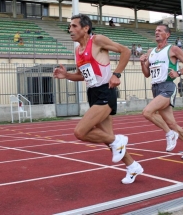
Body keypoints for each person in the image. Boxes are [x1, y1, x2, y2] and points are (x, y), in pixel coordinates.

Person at [53, 14, 143, 184]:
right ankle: (132, 166)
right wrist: (66, 75)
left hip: (105, 91)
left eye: (73, 26)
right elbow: (82, 76)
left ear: (85, 28)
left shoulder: (97, 40)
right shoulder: (77, 50)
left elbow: (126, 51)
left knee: (80, 132)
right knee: (108, 138)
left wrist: (116, 74)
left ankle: (119, 140)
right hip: (92, 93)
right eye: (69, 27)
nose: (70, 29)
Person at [140, 24, 183, 160]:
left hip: (167, 87)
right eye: (155, 31)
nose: (157, 32)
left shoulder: (173, 49)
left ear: (167, 35)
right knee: (172, 123)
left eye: (160, 31)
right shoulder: (151, 52)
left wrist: (178, 73)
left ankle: (169, 133)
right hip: (155, 88)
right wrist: (142, 63)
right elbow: (147, 74)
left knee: (147, 112)